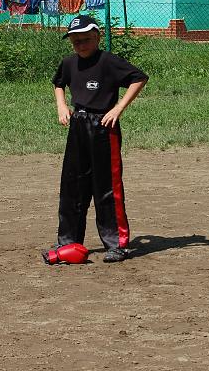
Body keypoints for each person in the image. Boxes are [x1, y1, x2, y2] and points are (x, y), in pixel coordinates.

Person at [49, 14, 148, 263]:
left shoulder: (108, 62)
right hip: (78, 125)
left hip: (104, 126)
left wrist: (118, 108)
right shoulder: (69, 63)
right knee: (72, 185)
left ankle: (117, 244)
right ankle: (68, 241)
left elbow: (139, 78)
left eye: (85, 40)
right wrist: (61, 105)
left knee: (106, 187)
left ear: (97, 37)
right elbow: (59, 83)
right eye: (75, 41)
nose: (81, 45)